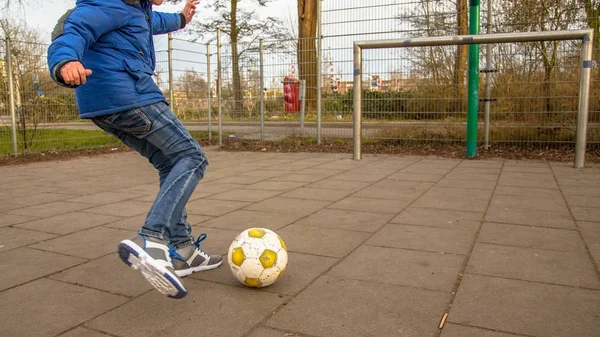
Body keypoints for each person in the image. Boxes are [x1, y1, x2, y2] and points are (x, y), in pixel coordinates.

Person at [47, 0, 222, 299]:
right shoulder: (109, 3)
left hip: (105, 104)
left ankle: (183, 249)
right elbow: (73, 28)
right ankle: (152, 239)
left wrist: (181, 19)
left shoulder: (136, 10)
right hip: (126, 93)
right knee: (191, 156)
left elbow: (155, 22)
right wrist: (64, 61)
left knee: (170, 164)